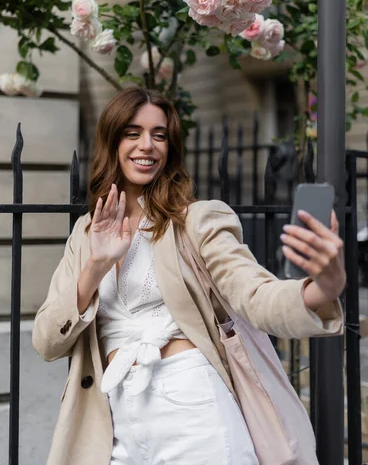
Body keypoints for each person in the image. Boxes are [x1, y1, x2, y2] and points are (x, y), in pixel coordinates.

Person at [33, 87, 344, 465]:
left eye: (159, 135)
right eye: (133, 133)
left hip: (193, 406)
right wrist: (96, 266)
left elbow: (255, 296)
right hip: (114, 416)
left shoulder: (196, 220)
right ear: (112, 141)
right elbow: (47, 341)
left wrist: (320, 289)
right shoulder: (85, 234)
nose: (147, 145)